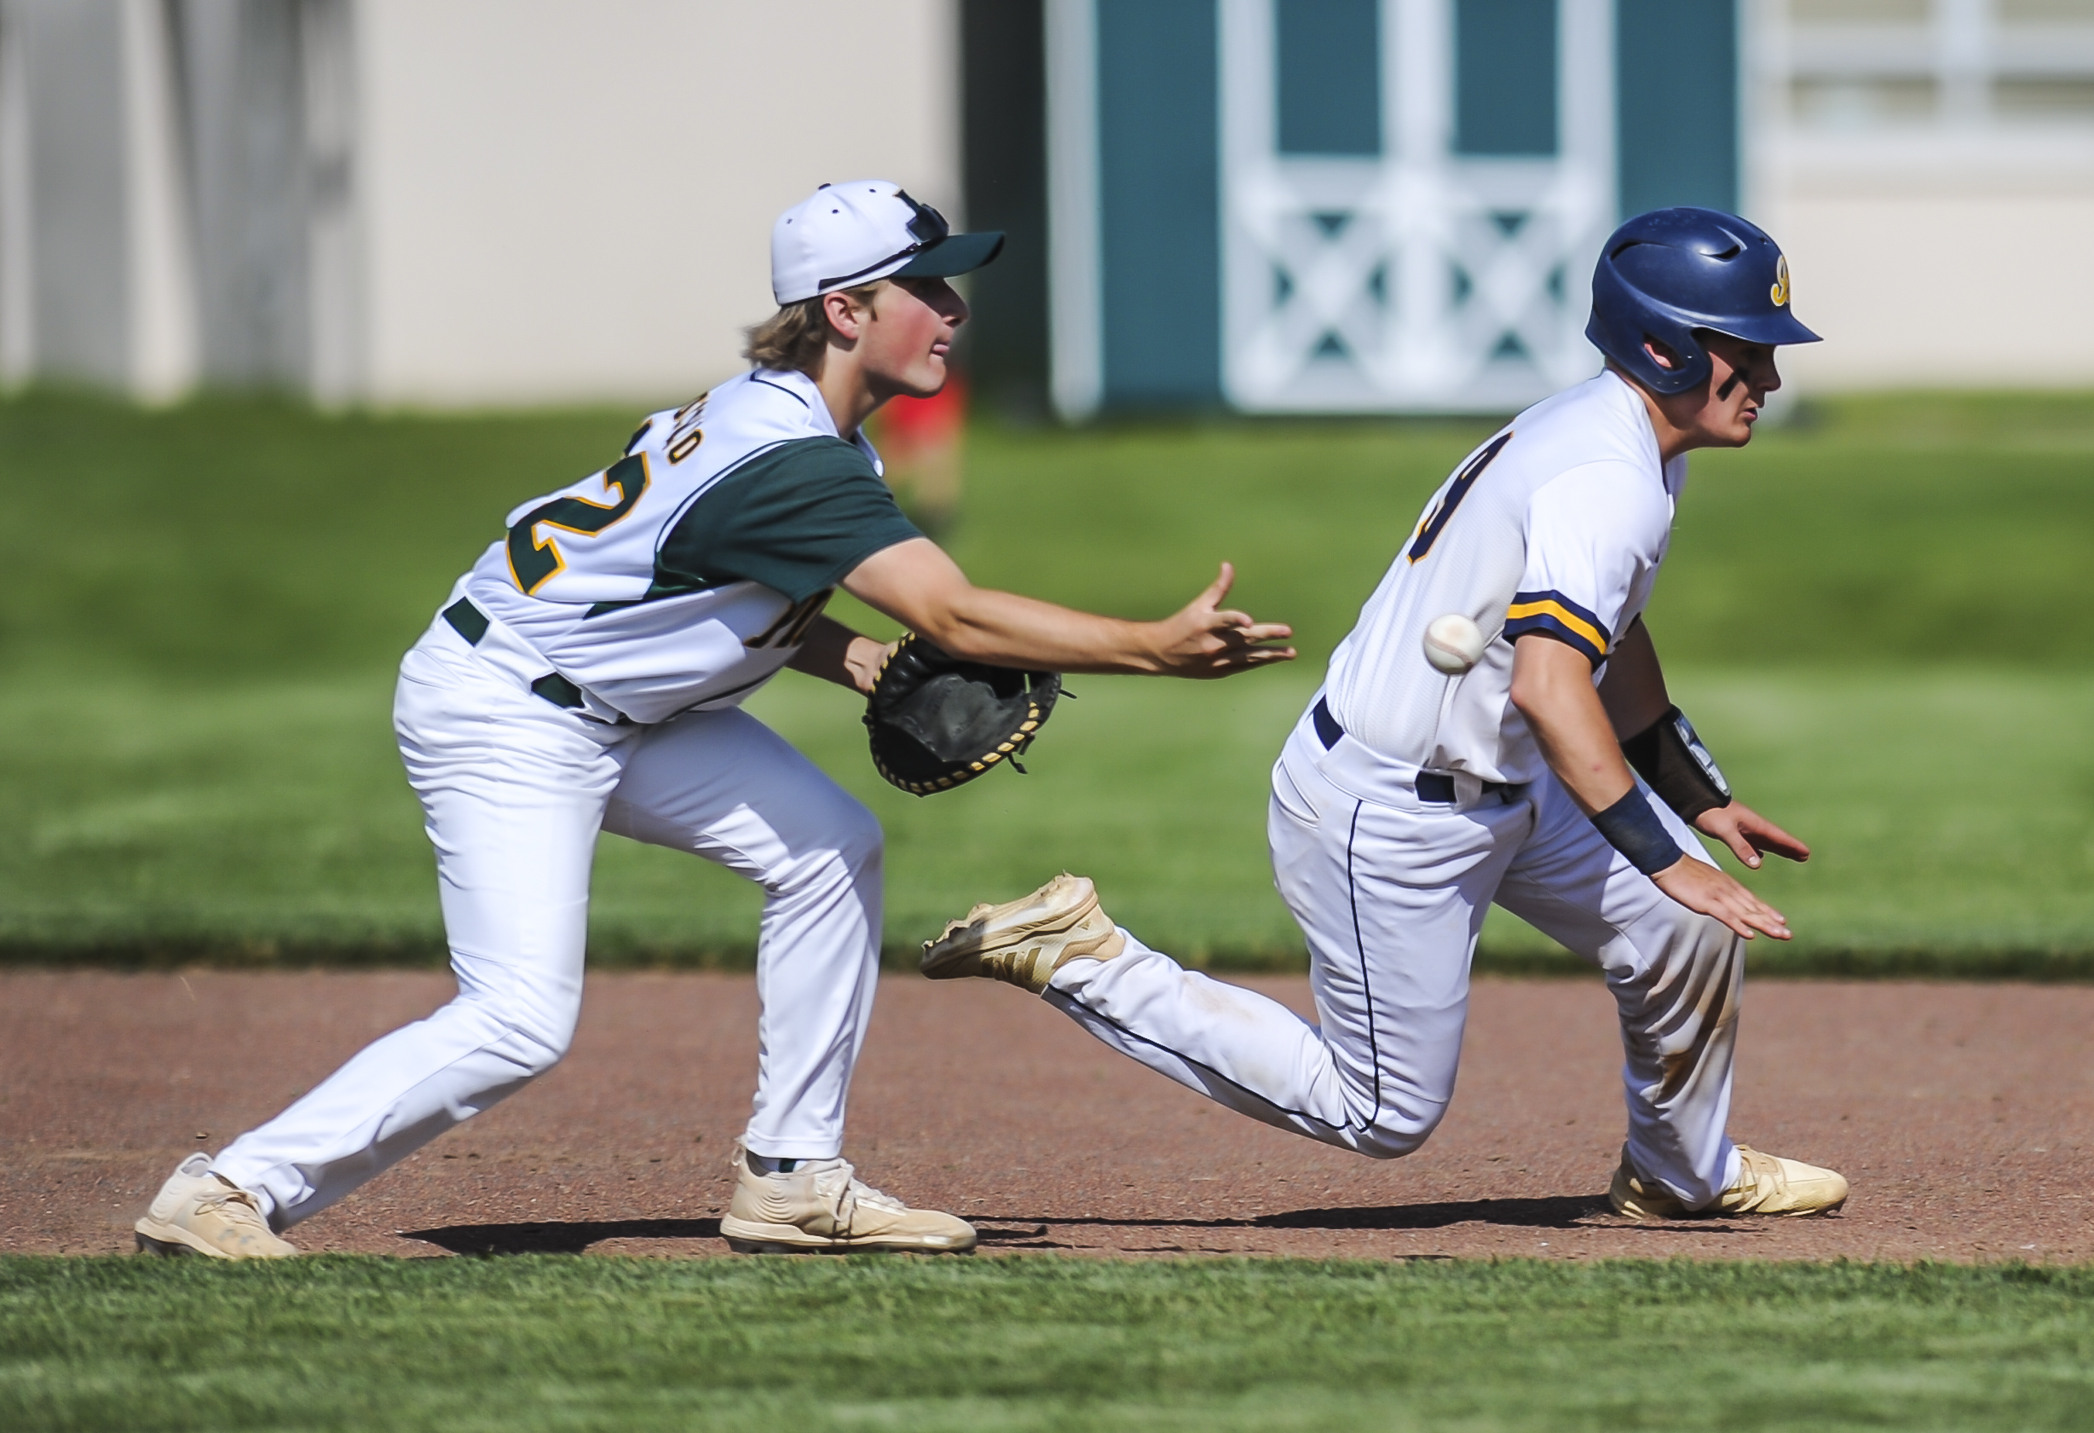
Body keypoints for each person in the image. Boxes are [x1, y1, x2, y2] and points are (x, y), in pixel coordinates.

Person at [135, 180, 1294, 1259]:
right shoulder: (789, 457)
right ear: (845, 309)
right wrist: (1152, 646)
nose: (952, 309)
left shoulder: (795, 426)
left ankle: (792, 1174)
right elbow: (956, 608)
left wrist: (857, 661)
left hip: (616, 704)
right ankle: (231, 1187)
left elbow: (713, 592)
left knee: (832, 849)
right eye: (926, 287)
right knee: (519, 1019)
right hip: (508, 712)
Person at [922, 208, 1850, 1221]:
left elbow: (1608, 632)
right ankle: (1087, 958)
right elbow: (1550, 689)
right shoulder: (1605, 477)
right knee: (1383, 1109)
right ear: (1664, 346)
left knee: (1688, 923)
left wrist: (1692, 795)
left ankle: (1680, 1174)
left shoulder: (1626, 436)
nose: (1765, 378)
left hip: (1507, 781)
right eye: (1746, 353)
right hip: (1392, 807)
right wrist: (1664, 856)